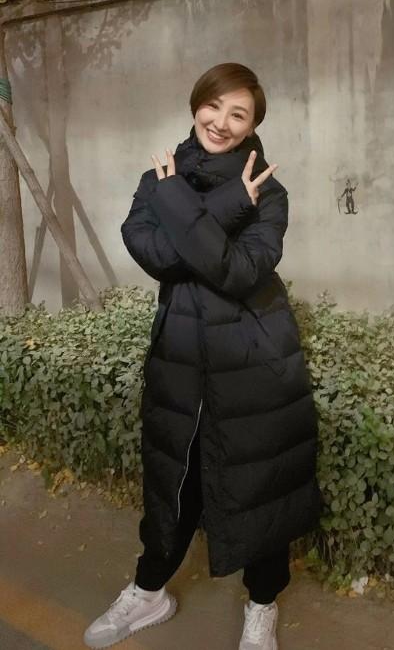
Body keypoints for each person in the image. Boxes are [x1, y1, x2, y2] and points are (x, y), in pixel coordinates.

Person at [84, 62, 322, 650]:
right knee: (175, 478)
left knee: (258, 480)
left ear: (252, 126)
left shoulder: (268, 189)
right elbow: (157, 258)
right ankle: (149, 591)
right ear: (196, 105)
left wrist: (193, 209)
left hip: (255, 350)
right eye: (213, 105)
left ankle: (262, 603)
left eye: (238, 114)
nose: (221, 121)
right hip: (183, 352)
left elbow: (239, 272)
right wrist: (219, 204)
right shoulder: (158, 181)